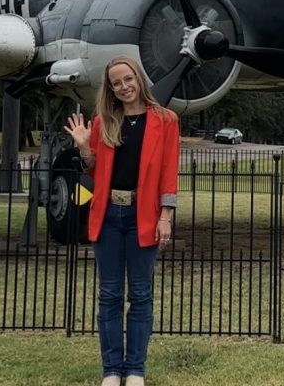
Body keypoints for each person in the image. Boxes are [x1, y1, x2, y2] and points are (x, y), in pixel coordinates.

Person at [65, 55, 179, 386]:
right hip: (109, 216)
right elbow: (95, 171)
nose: (124, 86)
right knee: (110, 295)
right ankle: (112, 370)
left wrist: (166, 216)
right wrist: (85, 148)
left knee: (141, 295)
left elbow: (169, 172)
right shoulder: (104, 123)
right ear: (111, 89)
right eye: (117, 83)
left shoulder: (166, 120)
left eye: (128, 79)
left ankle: (135, 371)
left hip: (143, 215)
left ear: (139, 79)